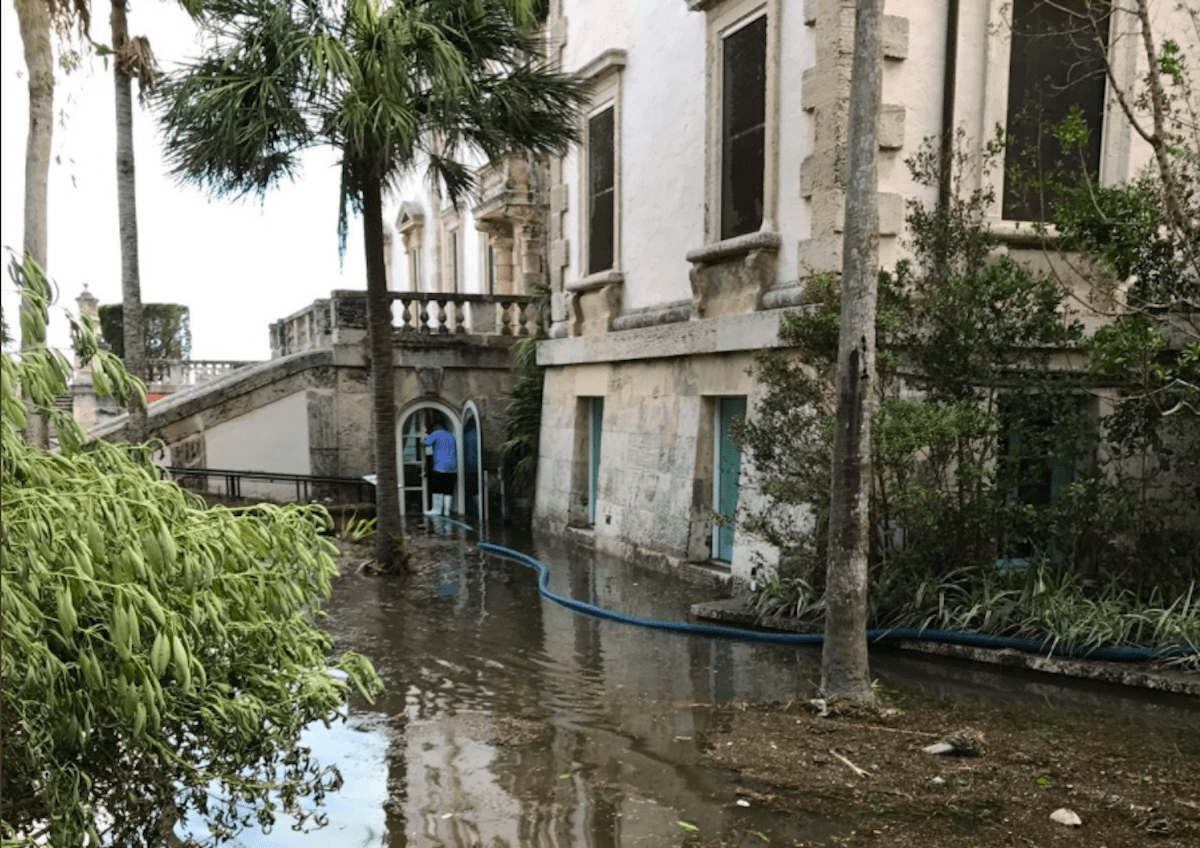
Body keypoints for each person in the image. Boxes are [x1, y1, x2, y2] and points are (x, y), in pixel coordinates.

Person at [423, 420, 457, 517]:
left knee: (437, 488)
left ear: (436, 425)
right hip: (452, 467)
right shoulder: (451, 435)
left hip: (440, 466)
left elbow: (426, 443)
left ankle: (436, 510)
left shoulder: (436, 433)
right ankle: (447, 511)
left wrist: (422, 441)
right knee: (448, 490)